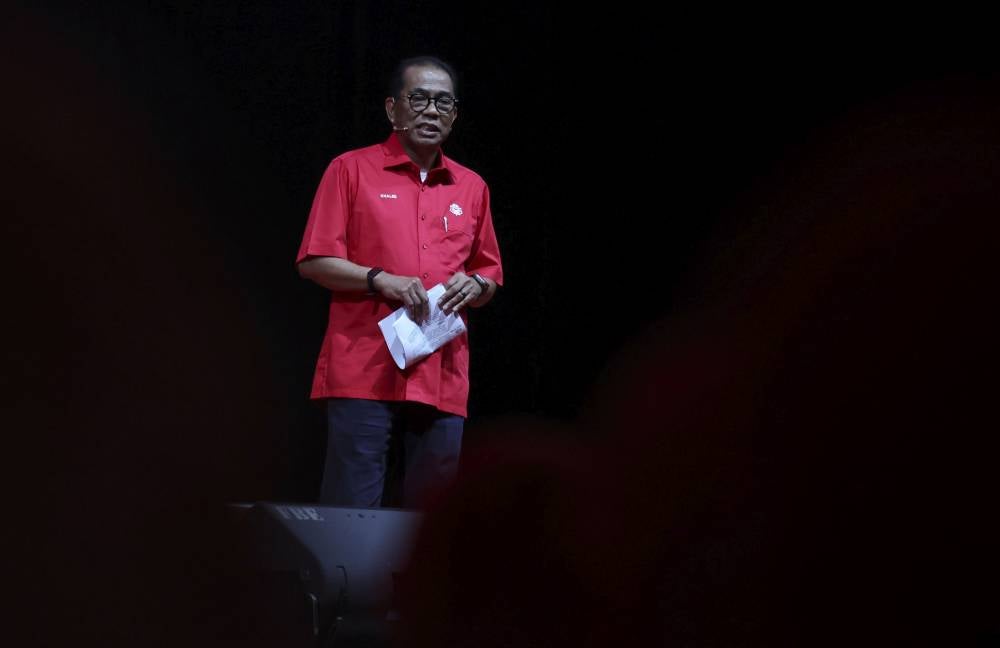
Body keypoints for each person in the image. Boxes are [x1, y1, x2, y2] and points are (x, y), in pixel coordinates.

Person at [296, 56, 503, 509]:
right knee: (351, 513)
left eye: (443, 102)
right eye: (419, 99)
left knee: (431, 518)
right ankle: (347, 585)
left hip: (442, 372)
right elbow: (314, 261)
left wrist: (477, 286)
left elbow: (489, 272)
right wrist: (379, 279)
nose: (431, 111)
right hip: (364, 368)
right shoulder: (350, 170)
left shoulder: (472, 187)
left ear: (455, 115)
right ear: (393, 109)